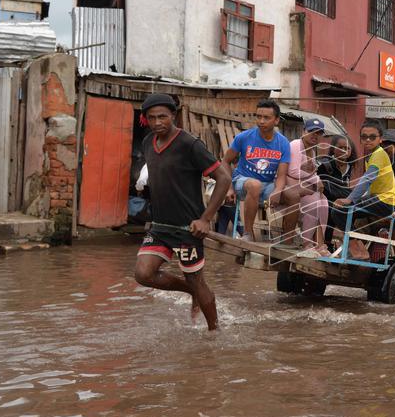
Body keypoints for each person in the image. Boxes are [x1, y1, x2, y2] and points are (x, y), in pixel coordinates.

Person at [133, 94, 231, 330]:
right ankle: (190, 291)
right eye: (152, 118)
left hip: (188, 228)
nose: (157, 122)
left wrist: (205, 219)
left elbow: (223, 178)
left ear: (173, 116)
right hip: (160, 227)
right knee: (143, 274)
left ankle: (214, 332)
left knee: (196, 280)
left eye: (163, 117)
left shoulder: (190, 144)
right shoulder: (148, 142)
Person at [222, 99, 290, 242]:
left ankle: (288, 240)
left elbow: (282, 175)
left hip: (267, 185)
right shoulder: (244, 137)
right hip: (242, 182)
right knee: (255, 185)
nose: (261, 121)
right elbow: (225, 161)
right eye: (258, 117)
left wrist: (278, 191)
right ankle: (247, 233)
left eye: (266, 118)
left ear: (276, 120)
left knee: (293, 195)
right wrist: (229, 188)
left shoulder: (283, 143)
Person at [329, 121, 395, 260]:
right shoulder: (371, 155)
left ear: (380, 139)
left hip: (384, 201)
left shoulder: (379, 154)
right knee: (343, 211)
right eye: (364, 137)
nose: (368, 140)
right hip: (381, 200)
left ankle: (358, 250)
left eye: (372, 137)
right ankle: (355, 247)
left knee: (339, 211)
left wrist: (350, 199)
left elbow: (367, 179)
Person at [286, 119, 329, 256]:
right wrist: (316, 179)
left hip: (303, 186)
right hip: (289, 186)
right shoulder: (296, 145)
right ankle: (307, 244)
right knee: (314, 202)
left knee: (324, 202)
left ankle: (319, 244)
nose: (315, 135)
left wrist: (316, 181)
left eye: (318, 133)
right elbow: (293, 171)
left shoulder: (312, 151)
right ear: (303, 131)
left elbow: (310, 173)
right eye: (311, 131)